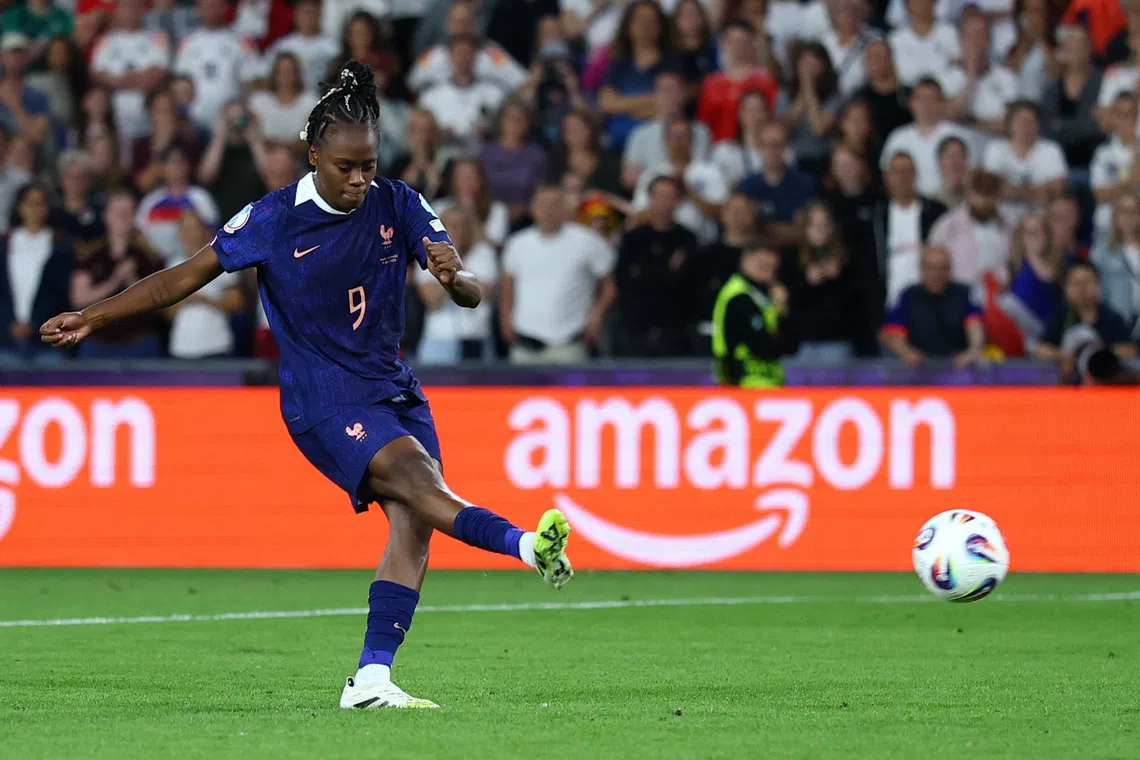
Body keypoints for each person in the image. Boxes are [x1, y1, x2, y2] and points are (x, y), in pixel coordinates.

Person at [39, 61, 574, 710]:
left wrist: (453, 277)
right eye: (346, 167)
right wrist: (93, 316)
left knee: (414, 523)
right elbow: (180, 278)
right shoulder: (273, 218)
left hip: (392, 386)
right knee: (417, 482)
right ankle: (527, 545)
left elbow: (469, 292)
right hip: (323, 397)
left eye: (368, 165)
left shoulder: (400, 202)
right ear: (314, 155)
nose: (359, 180)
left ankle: (371, 680)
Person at [499, 183, 616, 363]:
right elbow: (507, 286)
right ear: (533, 208)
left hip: (570, 343)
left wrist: (597, 316)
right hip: (525, 343)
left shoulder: (588, 241)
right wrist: (505, 319)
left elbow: (609, 286)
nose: (548, 211)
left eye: (554, 205)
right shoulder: (517, 244)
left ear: (564, 208)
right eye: (543, 205)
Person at [70, 190, 165, 359]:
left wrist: (132, 281)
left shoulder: (149, 257)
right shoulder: (90, 255)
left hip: (140, 341)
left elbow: (160, 303)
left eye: (128, 212)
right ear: (106, 216)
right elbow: (79, 299)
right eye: (118, 213)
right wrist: (115, 281)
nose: (123, 218)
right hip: (98, 343)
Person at [613, 175, 699, 357]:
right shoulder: (632, 239)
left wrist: (646, 272)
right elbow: (625, 282)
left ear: (677, 201)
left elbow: (687, 284)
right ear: (650, 199)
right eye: (660, 196)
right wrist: (667, 271)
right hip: (636, 327)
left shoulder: (687, 239)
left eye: (670, 197)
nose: (664, 203)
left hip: (675, 328)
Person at [414, 205, 498, 364]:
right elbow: (433, 301)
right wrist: (453, 271)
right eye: (451, 225)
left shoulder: (484, 253)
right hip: (439, 340)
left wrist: (453, 263)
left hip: (476, 337)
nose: (456, 231)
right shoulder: (428, 254)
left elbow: (479, 294)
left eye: (461, 225)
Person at [881, 245, 986, 368]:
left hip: (958, 365)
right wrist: (906, 352)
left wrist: (973, 351)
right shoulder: (908, 295)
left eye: (942, 268)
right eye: (930, 268)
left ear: (949, 269)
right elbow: (894, 333)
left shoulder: (964, 293)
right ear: (921, 269)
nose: (936, 274)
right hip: (917, 367)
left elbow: (975, 326)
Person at [0, 183, 71, 363]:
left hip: (46, 341)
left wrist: (37, 324)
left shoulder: (60, 245)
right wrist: (7, 324)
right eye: (30, 203)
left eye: (40, 203)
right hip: (6, 340)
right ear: (20, 207)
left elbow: (60, 292)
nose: (35, 209)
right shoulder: (5, 243)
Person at [710, 242, 796, 387]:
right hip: (743, 384)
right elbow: (764, 348)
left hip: (769, 385)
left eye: (771, 267)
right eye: (762, 265)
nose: (768, 272)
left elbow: (792, 346)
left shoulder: (766, 296)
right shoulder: (739, 296)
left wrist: (783, 312)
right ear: (745, 260)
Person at [166, 210, 245, 359]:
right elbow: (167, 313)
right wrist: (184, 300)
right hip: (181, 347)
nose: (189, 234)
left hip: (216, 344)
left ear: (203, 230)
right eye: (185, 229)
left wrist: (205, 300)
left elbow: (237, 303)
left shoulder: (220, 261)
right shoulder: (173, 264)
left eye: (193, 228)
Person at [1033, 259, 1136, 368]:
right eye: (1076, 283)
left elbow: (1129, 350)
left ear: (1098, 284)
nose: (1082, 288)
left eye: (1087, 282)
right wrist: (1062, 354)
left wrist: (1099, 353)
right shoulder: (1060, 316)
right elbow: (1041, 349)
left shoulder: (1111, 318)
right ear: (1065, 288)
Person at [880, 77, 970, 198]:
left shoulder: (958, 134)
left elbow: (968, 175)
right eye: (921, 98)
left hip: (949, 200)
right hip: (911, 202)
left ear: (941, 102)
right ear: (911, 102)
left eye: (932, 99)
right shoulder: (898, 137)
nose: (926, 104)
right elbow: (887, 177)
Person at [981, 100, 1068, 219]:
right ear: (1009, 124)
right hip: (1001, 217)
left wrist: (1012, 191)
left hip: (1041, 219)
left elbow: (1056, 190)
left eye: (1030, 121)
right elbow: (991, 188)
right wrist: (1037, 192)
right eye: (1020, 121)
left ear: (1038, 124)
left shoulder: (1051, 149)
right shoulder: (995, 148)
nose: (1025, 126)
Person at [696, 20, 778, 143]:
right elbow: (704, 123)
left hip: (754, 147)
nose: (738, 46)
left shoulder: (765, 82)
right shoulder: (711, 83)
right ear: (723, 44)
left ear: (752, 44)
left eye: (743, 41)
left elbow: (771, 119)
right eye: (732, 41)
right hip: (718, 148)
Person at [737, 122, 817, 247]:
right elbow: (741, 232)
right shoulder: (747, 186)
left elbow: (811, 229)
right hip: (757, 252)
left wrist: (767, 230)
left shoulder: (804, 182)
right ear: (759, 147)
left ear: (786, 147)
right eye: (768, 145)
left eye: (779, 145)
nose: (773, 151)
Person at [1091, 193, 1140, 330]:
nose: (1129, 216)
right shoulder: (1101, 253)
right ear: (1115, 216)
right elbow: (1097, 291)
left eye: (1135, 211)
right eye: (1124, 211)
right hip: (1117, 321)